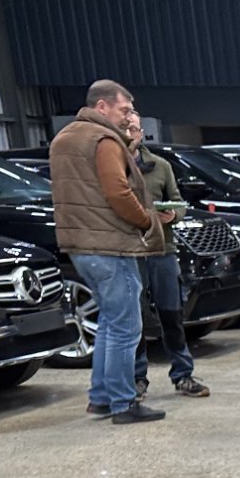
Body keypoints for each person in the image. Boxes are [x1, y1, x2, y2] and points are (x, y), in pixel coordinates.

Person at [48, 79, 165, 423]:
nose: (129, 116)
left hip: (80, 246)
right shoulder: (103, 139)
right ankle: (123, 402)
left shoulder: (64, 138)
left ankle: (101, 397)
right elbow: (118, 192)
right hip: (111, 245)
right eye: (124, 109)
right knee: (126, 327)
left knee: (110, 324)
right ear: (102, 106)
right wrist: (146, 221)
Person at [125, 112, 208, 399]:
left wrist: (173, 214)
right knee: (134, 317)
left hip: (162, 249)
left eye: (134, 128)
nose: (130, 133)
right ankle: (137, 378)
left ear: (141, 133)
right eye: (125, 128)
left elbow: (179, 202)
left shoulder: (160, 166)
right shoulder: (113, 168)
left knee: (171, 313)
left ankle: (183, 374)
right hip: (130, 252)